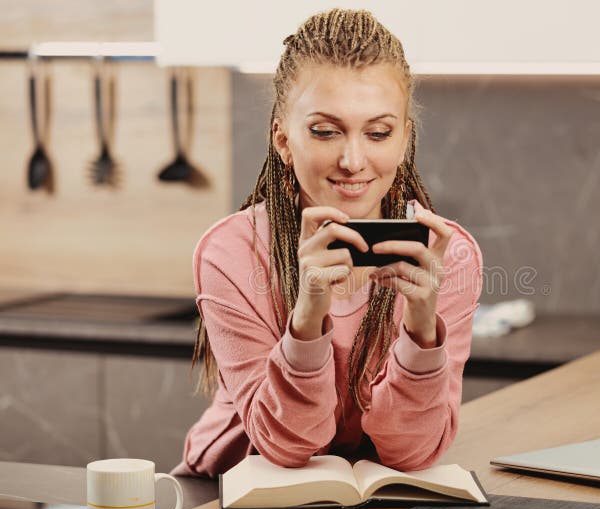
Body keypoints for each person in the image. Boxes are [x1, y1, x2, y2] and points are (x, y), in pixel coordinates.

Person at [172, 8, 483, 478]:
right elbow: (285, 446)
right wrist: (307, 315)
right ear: (283, 138)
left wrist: (422, 328)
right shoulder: (232, 253)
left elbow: (413, 454)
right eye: (324, 131)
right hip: (226, 491)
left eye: (378, 133)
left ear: (403, 141)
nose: (353, 159)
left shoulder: (447, 255)